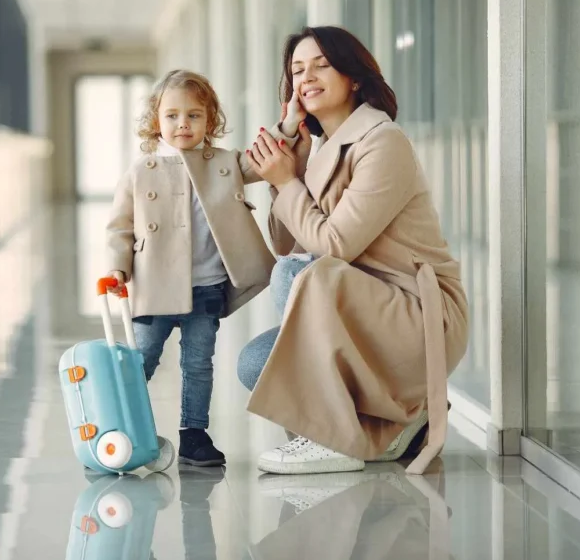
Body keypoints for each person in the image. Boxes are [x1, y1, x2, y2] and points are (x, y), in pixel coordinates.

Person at [237, 26, 470, 475]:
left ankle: (332, 436)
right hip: (363, 305)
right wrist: (293, 166)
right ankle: (400, 425)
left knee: (301, 277)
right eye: (298, 69)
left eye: (322, 64)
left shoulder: (383, 141)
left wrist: (287, 183)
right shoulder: (323, 149)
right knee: (256, 364)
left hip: (418, 313)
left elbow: (335, 247)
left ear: (355, 77)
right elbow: (286, 245)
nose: (307, 76)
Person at [104, 69, 303, 467]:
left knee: (198, 363)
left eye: (194, 115)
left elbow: (262, 157)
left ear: (209, 121)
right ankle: (121, 425)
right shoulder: (141, 171)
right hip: (155, 286)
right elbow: (120, 226)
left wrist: (291, 123)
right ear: (156, 122)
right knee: (142, 358)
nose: (183, 124)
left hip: (206, 287)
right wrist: (117, 269)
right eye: (173, 116)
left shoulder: (225, 163)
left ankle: (194, 434)